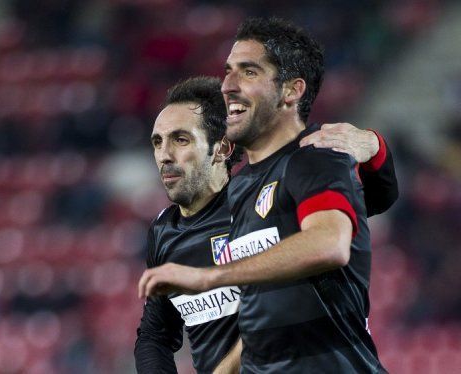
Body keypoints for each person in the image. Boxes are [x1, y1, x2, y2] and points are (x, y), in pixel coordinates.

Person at [138, 18, 397, 373]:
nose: (227, 85)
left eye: (248, 72)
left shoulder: (313, 157)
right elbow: (255, 320)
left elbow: (330, 244)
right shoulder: (244, 189)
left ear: (291, 91)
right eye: (228, 71)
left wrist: (209, 277)